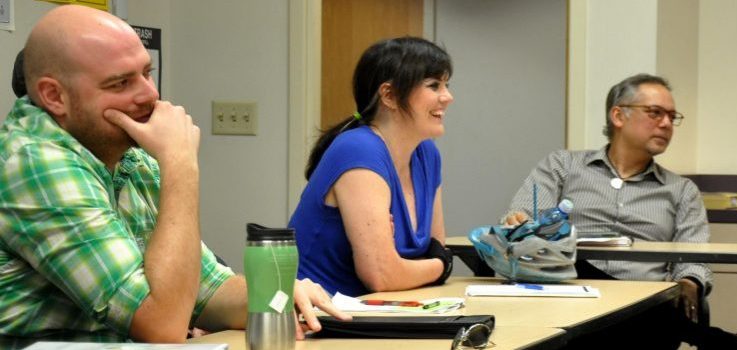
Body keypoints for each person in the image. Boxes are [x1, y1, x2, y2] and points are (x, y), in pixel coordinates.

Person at [0, 5, 348, 346]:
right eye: (120, 83)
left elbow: (207, 291)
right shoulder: (33, 161)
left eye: (146, 73)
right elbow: (163, 324)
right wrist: (180, 163)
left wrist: (275, 294)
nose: (150, 94)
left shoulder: (129, 154)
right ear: (53, 96)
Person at [502, 74, 737, 349]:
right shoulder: (562, 166)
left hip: (644, 311)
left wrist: (689, 282)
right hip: (568, 301)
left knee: (641, 310)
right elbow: (524, 220)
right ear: (618, 115)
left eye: (672, 117)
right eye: (655, 113)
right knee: (564, 262)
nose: (666, 124)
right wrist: (518, 220)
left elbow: (694, 256)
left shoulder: (681, 190)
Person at [290, 37, 454, 297]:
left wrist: (436, 263)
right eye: (434, 85)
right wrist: (441, 266)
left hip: (379, 310)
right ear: (389, 95)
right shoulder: (359, 149)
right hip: (318, 318)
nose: (448, 97)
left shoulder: (426, 153)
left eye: (446, 85)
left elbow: (434, 252)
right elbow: (381, 275)